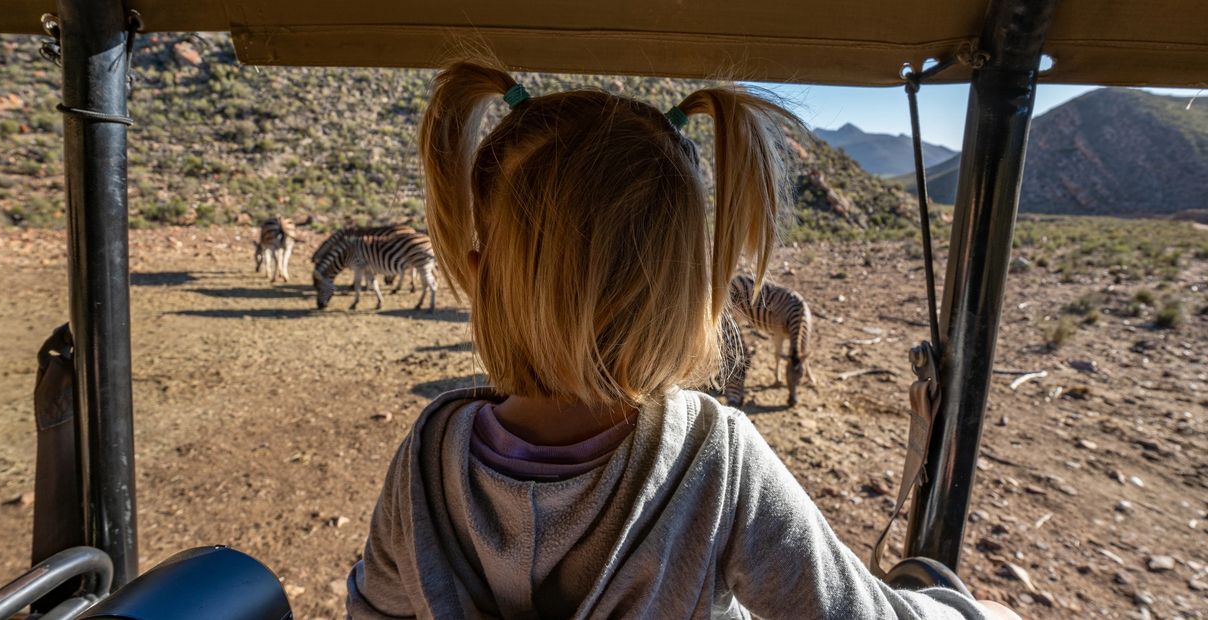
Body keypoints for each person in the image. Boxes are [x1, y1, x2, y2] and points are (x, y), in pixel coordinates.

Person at [345, 59, 1021, 620]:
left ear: (476, 278)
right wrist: (976, 612)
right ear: (696, 294)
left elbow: (373, 610)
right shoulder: (715, 461)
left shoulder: (424, 463)